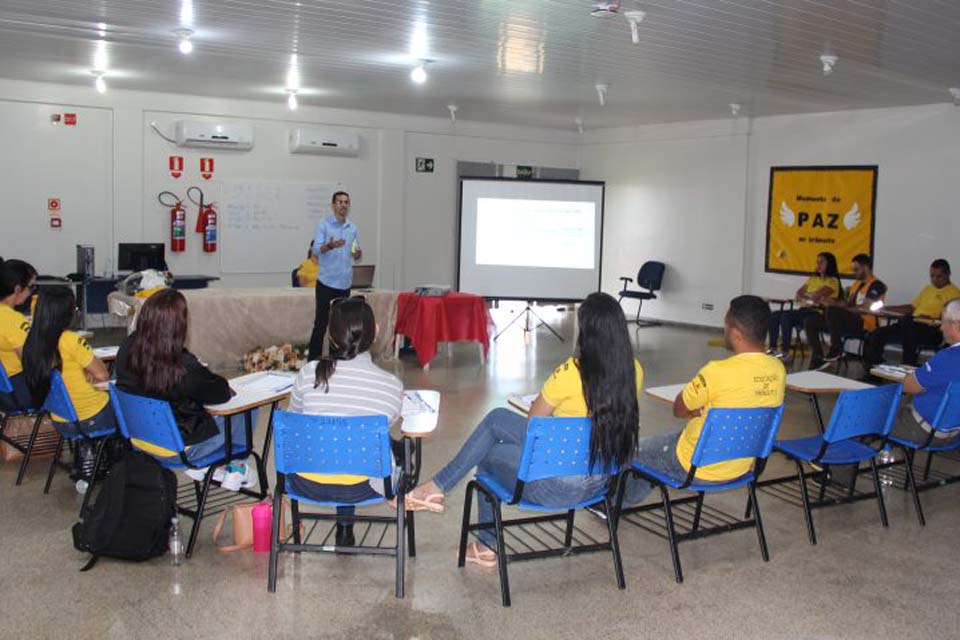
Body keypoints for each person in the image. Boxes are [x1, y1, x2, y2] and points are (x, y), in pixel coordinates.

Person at [406, 292, 647, 567]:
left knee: (488, 455)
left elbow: (535, 422)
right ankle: (437, 487)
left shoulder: (572, 372)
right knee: (497, 418)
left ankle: (486, 544)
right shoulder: (634, 371)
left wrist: (554, 409)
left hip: (553, 485)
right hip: (600, 483)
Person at [287, 296, 404, 547]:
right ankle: (345, 527)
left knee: (336, 444)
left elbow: (294, 422)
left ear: (330, 335)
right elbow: (384, 428)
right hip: (364, 486)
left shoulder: (309, 374)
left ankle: (344, 526)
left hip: (306, 481)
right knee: (365, 446)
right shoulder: (391, 386)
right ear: (375, 334)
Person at [634, 295, 786, 483]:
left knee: (630, 452)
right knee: (662, 446)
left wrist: (697, 407)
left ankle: (613, 507)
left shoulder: (716, 372)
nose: (725, 330)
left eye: (726, 324)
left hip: (693, 464)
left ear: (736, 333)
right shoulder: (778, 370)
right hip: (739, 466)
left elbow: (679, 409)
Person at [115, 289, 255, 490]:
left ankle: (220, 467)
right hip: (180, 449)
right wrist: (198, 366)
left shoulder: (127, 348)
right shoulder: (181, 367)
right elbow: (221, 392)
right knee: (247, 407)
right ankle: (237, 465)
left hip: (139, 439)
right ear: (177, 327)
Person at [22, 286, 116, 432]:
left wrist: (85, 369)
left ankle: (92, 450)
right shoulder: (70, 340)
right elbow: (103, 375)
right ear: (67, 313)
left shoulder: (32, 339)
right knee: (128, 408)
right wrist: (88, 368)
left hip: (60, 419)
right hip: (92, 416)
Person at [863, 259, 960, 369]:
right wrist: (885, 308)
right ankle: (873, 369)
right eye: (932, 276)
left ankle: (907, 367)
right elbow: (911, 308)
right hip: (912, 324)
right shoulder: (928, 289)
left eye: (939, 276)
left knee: (909, 327)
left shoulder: (954, 293)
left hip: (932, 331)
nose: (934, 280)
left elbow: (951, 318)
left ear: (948, 274)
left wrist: (933, 318)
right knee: (878, 333)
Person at [894, 298, 960, 446]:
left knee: (862, 421)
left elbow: (908, 386)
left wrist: (913, 377)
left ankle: (841, 464)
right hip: (954, 432)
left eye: (943, 322)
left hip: (926, 432)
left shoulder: (948, 357)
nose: (941, 328)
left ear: (956, 324)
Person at [804, 253, 887, 370]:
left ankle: (836, 349)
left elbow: (864, 308)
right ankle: (818, 357)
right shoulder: (856, 284)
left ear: (866, 268)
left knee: (833, 311)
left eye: (856, 270)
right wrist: (832, 302)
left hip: (864, 323)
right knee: (811, 321)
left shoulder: (877, 285)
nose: (854, 273)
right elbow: (848, 303)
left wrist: (839, 308)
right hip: (847, 320)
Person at [307, 191, 362, 361]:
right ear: (333, 205)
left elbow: (355, 251)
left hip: (344, 284)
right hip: (326, 282)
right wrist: (330, 245)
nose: (343, 205)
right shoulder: (324, 225)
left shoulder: (352, 228)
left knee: (340, 327)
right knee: (321, 324)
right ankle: (313, 362)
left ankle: (336, 362)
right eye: (340, 202)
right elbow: (316, 250)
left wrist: (357, 253)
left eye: (346, 202)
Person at [768, 252, 843, 360]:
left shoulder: (833, 281)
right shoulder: (813, 278)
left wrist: (809, 295)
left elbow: (817, 295)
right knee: (774, 315)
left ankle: (785, 352)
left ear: (830, 264)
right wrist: (809, 296)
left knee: (786, 318)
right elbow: (799, 293)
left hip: (817, 312)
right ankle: (773, 349)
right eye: (817, 262)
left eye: (821, 262)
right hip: (804, 309)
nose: (818, 265)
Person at [0, 259, 37, 410]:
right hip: (19, 391)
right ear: (17, 289)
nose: (31, 292)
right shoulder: (13, 320)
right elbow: (31, 362)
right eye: (30, 287)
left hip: (4, 389)